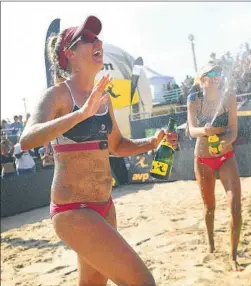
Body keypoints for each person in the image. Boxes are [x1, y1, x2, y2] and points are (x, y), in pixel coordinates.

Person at [20, 15, 177, 286]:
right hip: (73, 210)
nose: (98, 42)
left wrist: (153, 143)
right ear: (70, 54)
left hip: (105, 206)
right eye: (89, 38)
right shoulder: (57, 95)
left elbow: (116, 146)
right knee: (142, 282)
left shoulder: (102, 98)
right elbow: (27, 139)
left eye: (98, 37)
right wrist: (81, 114)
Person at [187, 62, 242, 271]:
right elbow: (191, 130)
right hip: (202, 158)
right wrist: (204, 130)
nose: (216, 75)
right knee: (209, 206)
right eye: (211, 72)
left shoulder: (228, 97)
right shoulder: (194, 99)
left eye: (218, 72)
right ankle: (211, 246)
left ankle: (233, 256)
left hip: (225, 155)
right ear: (202, 78)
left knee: (235, 206)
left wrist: (223, 143)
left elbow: (234, 130)